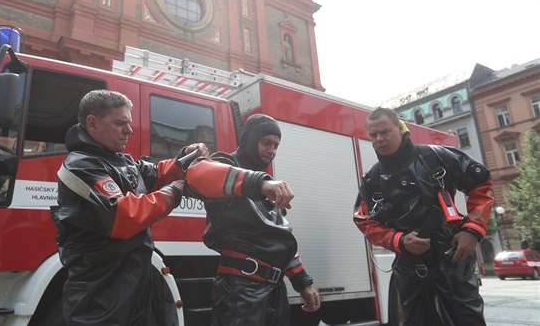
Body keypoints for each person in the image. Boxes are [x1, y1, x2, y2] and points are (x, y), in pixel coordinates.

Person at [50, 90, 208, 326]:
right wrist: (175, 191)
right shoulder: (80, 166)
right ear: (92, 123)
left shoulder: (121, 161)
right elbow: (123, 216)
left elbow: (157, 174)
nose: (130, 131)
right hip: (100, 297)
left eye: (129, 123)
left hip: (134, 290)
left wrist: (184, 158)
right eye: (120, 123)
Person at [353, 107, 494, 326]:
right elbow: (364, 220)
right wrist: (399, 240)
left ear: (400, 128)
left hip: (452, 256)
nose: (379, 139)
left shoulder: (437, 157)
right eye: (373, 135)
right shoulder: (373, 179)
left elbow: (481, 184)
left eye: (384, 132)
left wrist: (472, 230)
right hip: (409, 263)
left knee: (466, 319)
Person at [184, 114, 321, 326]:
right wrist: (260, 184)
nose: (272, 150)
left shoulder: (268, 184)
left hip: (274, 290)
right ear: (249, 140)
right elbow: (198, 174)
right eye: (266, 142)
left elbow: (281, 239)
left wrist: (303, 283)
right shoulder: (227, 164)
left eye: (276, 145)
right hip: (240, 290)